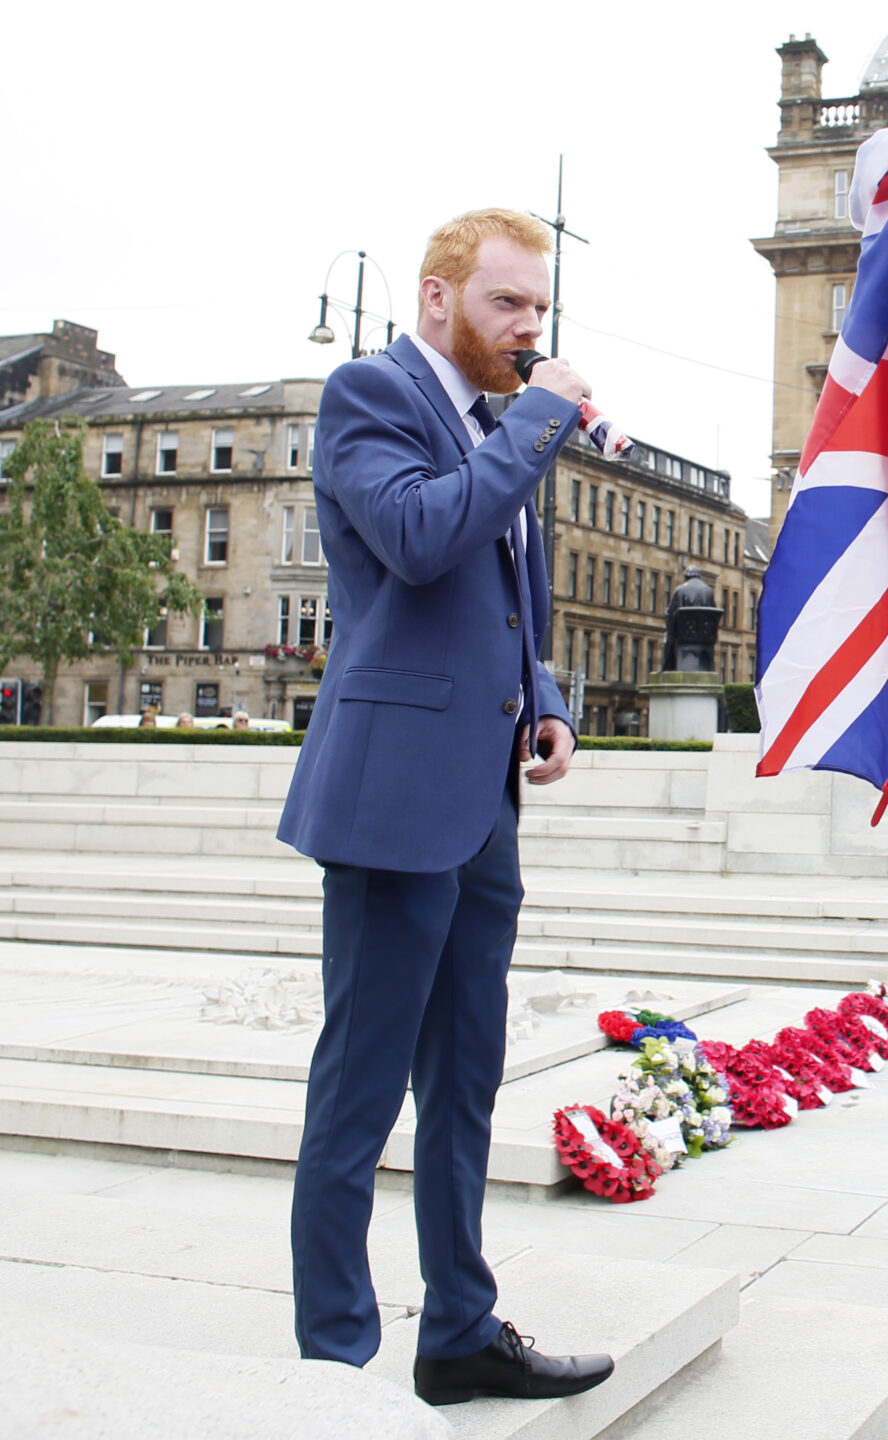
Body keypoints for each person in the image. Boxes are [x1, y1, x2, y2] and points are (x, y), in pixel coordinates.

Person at [276, 210, 611, 1407]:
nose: (529, 332)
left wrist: (547, 695)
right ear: (437, 300)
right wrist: (532, 422)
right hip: (388, 804)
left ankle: (460, 1332)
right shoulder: (368, 395)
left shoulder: (491, 428)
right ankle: (334, 1362)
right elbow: (420, 540)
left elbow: (509, 589)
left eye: (540, 312)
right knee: (359, 1091)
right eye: (507, 306)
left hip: (483, 804)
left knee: (465, 1080)